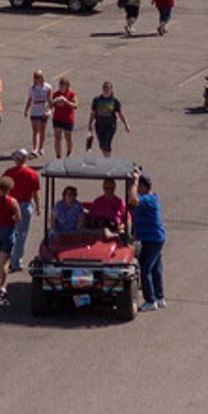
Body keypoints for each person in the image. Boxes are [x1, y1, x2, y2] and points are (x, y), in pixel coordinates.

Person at [130, 171, 166, 311]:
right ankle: (159, 297)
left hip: (153, 239)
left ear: (144, 186)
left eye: (139, 186)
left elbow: (133, 199)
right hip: (152, 238)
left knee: (145, 269)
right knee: (156, 268)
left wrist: (134, 182)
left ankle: (150, 300)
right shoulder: (150, 198)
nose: (137, 189)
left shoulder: (148, 199)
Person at [1, 149, 40, 271]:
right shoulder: (32, 174)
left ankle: (7, 258)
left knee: (10, 232)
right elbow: (35, 193)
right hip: (25, 205)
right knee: (21, 235)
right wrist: (38, 206)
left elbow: (2, 189)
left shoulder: (9, 173)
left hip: (10, 205)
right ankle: (16, 261)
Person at [0, 175, 21, 295]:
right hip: (7, 231)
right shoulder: (13, 202)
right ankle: (2, 286)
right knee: (4, 261)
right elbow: (18, 218)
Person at [87, 82, 128, 155]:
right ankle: (106, 157)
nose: (106, 90)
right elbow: (93, 113)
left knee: (105, 142)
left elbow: (120, 113)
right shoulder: (97, 100)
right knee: (101, 145)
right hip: (99, 125)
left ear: (111, 89)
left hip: (110, 126)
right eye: (104, 88)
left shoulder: (114, 101)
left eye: (108, 88)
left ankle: (107, 159)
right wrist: (90, 124)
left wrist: (126, 124)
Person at [49, 76, 79, 158]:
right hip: (57, 118)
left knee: (68, 138)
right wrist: (55, 102)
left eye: (63, 85)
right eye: (60, 85)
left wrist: (66, 102)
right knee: (57, 137)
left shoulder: (72, 94)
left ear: (67, 85)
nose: (61, 87)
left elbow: (75, 105)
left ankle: (69, 152)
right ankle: (58, 156)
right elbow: (50, 105)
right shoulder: (56, 94)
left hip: (68, 119)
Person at [25, 69, 51, 155]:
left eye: (37, 77)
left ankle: (41, 147)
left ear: (41, 78)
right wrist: (26, 110)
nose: (36, 79)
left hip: (43, 109)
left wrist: (47, 110)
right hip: (35, 110)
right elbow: (30, 99)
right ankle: (35, 148)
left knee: (42, 130)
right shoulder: (32, 88)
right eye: (35, 77)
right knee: (35, 130)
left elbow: (50, 100)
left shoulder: (47, 87)